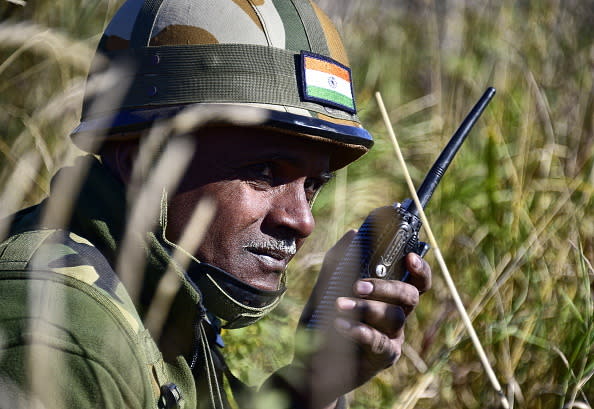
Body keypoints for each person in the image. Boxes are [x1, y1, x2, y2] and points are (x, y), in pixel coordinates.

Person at [0, 0, 431, 408]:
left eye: (313, 185)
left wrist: (317, 380)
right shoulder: (61, 328)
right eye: (264, 171)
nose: (301, 220)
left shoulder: (168, 294)